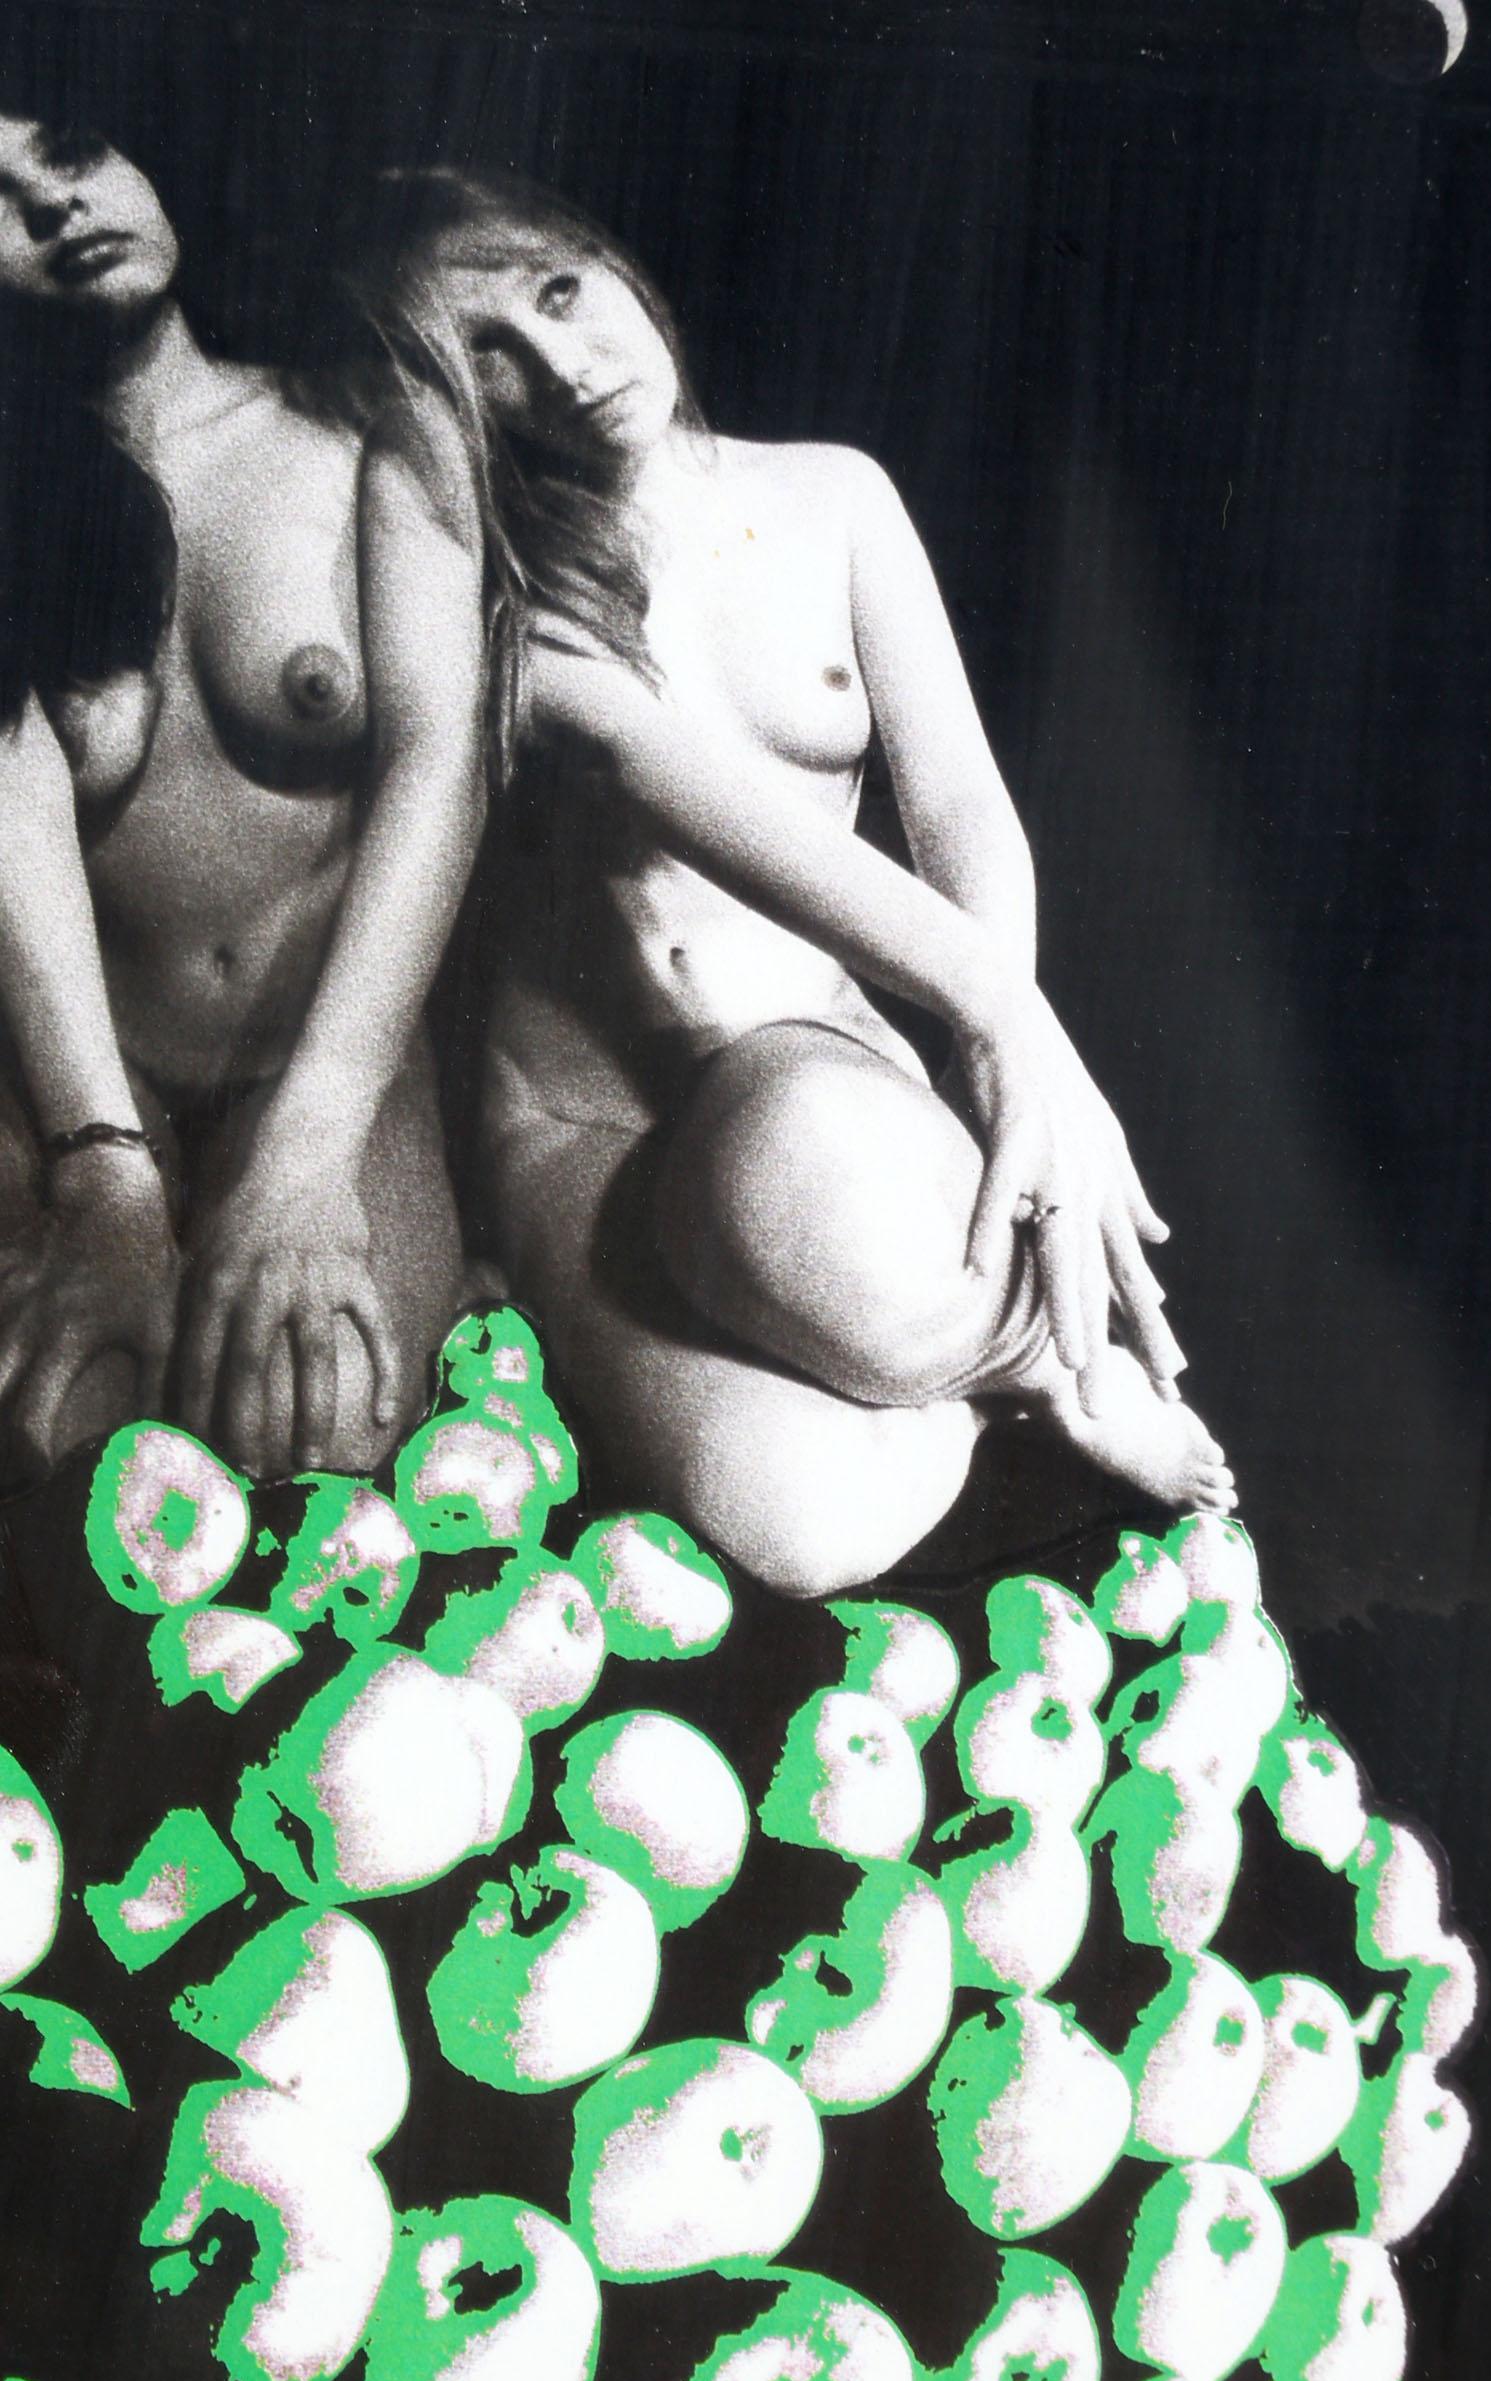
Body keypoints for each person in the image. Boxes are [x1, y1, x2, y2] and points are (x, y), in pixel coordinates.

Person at [351, 168, 1236, 1596]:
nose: (562, 365)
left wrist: (1002, 1056)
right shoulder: (498, 581)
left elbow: (957, 804)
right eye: (489, 358)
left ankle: (1004, 1356)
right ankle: (979, 1361)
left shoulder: (835, 495)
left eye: (562, 293)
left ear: (617, 265)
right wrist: (1011, 1019)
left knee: (818, 1189)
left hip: (804, 1067)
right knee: (801, 1530)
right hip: (589, 1128)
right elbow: (658, 773)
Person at [0, 105, 484, 1484]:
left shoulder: (366, 423)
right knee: (66, 1439)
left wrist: (312, 1149)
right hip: (75, 1071)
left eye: (70, 151)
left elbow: (440, 764)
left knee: (311, 1435)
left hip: (328, 1058)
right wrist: (99, 1168)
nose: (52, 207)